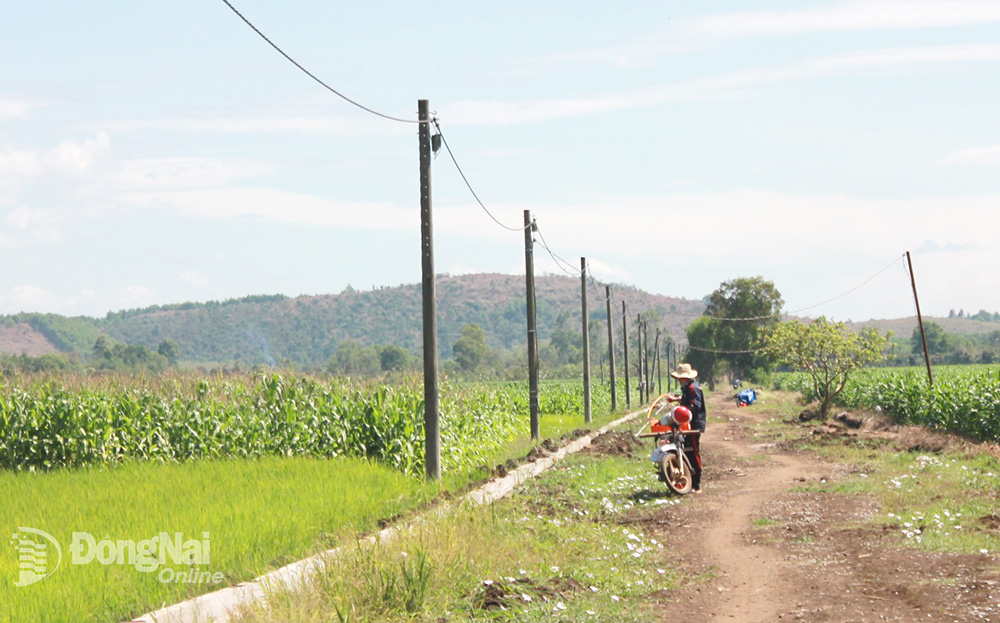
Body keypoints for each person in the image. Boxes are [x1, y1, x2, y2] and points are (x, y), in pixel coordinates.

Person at [665, 363, 706, 493]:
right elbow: (686, 400)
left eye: (680, 378)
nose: (678, 380)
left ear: (685, 378)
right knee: (685, 452)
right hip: (685, 425)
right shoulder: (687, 389)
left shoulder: (694, 389)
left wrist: (681, 412)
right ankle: (686, 481)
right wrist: (677, 400)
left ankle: (696, 485)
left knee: (693, 452)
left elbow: (695, 407)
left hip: (693, 425)